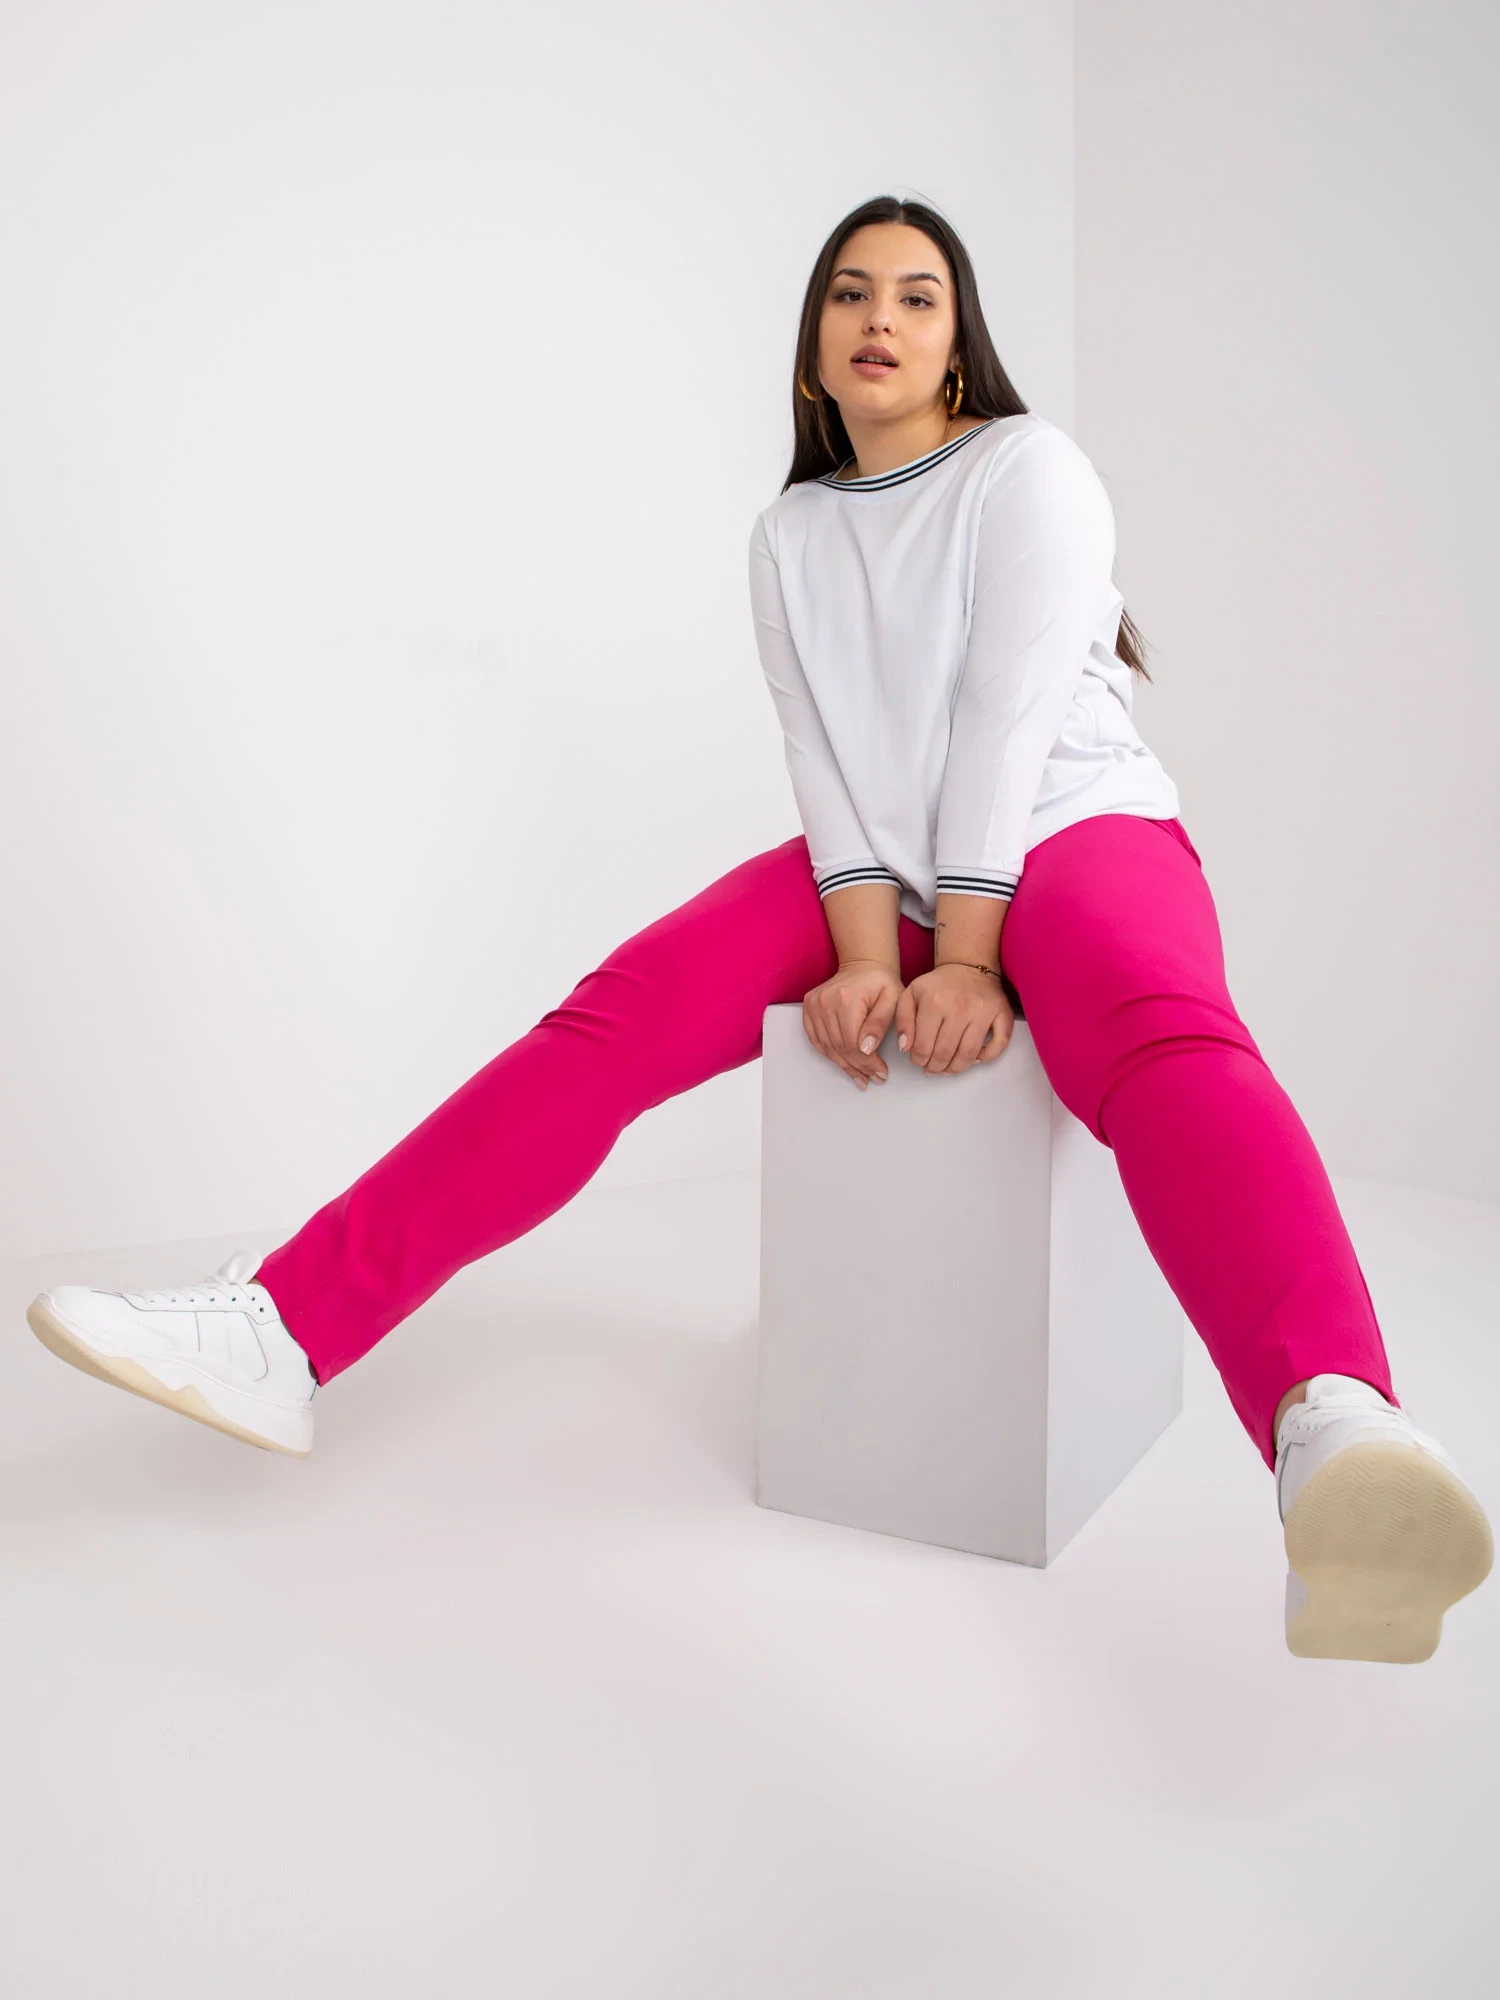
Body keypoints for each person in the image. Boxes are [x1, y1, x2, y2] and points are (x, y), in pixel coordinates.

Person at [27, 194, 1491, 1666]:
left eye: (916, 297)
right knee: (615, 1019)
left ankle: (1331, 1428)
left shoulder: (1028, 470)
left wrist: (965, 960)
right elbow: (827, 762)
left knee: (1161, 1039)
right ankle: (282, 1332)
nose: (879, 319)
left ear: (959, 342)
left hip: (1070, 828)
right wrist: (862, 956)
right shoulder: (788, 536)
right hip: (881, 870)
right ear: (812, 342)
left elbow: (1005, 724)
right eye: (850, 294)